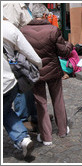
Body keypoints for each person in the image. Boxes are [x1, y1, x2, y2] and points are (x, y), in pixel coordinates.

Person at [21, 4, 73, 146]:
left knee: (40, 103)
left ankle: (46, 137)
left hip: (35, 71)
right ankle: (62, 130)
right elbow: (64, 52)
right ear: (45, 15)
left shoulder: (23, 30)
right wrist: (70, 45)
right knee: (58, 99)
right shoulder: (53, 30)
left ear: (33, 15)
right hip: (53, 71)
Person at [3, 19, 42, 158]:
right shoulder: (7, 27)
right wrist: (39, 64)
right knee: (6, 110)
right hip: (8, 81)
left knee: (5, 111)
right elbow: (30, 53)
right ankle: (22, 139)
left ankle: (21, 138)